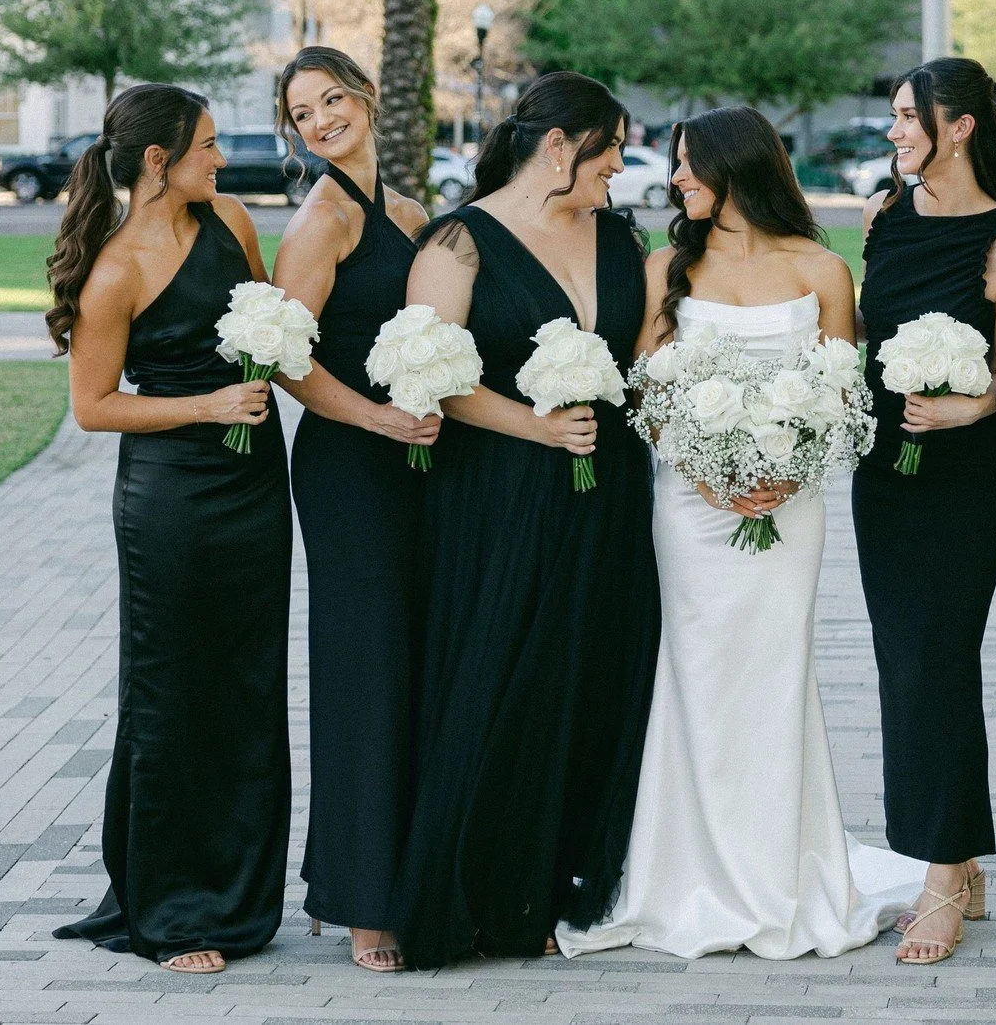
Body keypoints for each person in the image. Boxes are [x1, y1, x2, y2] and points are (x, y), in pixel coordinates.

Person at [559, 107, 924, 961]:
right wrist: (711, 471)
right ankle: (684, 874)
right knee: (695, 674)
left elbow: (842, 392)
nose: (675, 178)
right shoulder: (665, 269)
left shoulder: (823, 269)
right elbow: (644, 395)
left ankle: (781, 876)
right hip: (689, 506)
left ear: (737, 168)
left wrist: (791, 472)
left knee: (775, 673)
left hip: (792, 506)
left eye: (689, 165)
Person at [388, 71, 660, 966]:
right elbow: (432, 374)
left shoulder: (619, 237)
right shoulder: (459, 244)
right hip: (498, 492)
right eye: (610, 147)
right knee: (504, 676)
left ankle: (564, 885)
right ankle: (481, 893)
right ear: (558, 145)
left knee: (595, 673)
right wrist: (533, 425)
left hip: (611, 489)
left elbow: (648, 360)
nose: (621, 164)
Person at [48, 86, 290, 973]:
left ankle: (243, 892)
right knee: (173, 690)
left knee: (248, 682)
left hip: (257, 484)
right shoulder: (112, 272)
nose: (222, 160)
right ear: (158, 160)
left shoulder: (230, 218)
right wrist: (208, 405)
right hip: (172, 502)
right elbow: (92, 408)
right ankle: (173, 908)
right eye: (209, 145)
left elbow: (272, 324)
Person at [852, 58, 996, 965]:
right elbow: (856, 341)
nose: (893, 131)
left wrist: (972, 406)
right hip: (881, 473)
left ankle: (938, 876)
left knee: (935, 660)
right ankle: (959, 860)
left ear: (958, 125)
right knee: (907, 666)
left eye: (906, 117)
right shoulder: (884, 219)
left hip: (963, 480)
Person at [271, 48, 439, 972]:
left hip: (421, 461)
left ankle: (397, 869)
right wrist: (377, 417)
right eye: (304, 113)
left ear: (367, 97)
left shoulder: (410, 215)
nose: (324, 118)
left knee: (415, 659)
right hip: (350, 464)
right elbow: (290, 359)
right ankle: (362, 900)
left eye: (333, 98)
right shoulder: (322, 219)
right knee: (364, 665)